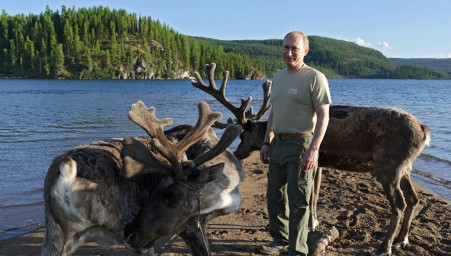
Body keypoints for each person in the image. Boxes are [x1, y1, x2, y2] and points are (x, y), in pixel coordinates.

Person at [259, 31, 332, 256]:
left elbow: (324, 116)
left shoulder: (314, 77)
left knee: (299, 200)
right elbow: (274, 111)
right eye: (285, 47)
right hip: (278, 144)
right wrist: (266, 140)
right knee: (275, 196)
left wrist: (313, 150)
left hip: (301, 144)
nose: (289, 52)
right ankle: (279, 239)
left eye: (294, 48)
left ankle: (297, 249)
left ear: (305, 51)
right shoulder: (279, 77)